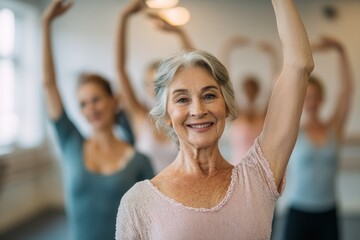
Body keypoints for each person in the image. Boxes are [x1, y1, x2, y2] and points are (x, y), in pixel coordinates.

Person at [116, 0, 314, 239]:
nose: (198, 109)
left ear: (227, 107)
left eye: (209, 95)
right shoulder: (139, 203)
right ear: (167, 116)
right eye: (182, 99)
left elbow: (299, 64)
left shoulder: (258, 177)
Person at [42, 1, 154, 239]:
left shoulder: (139, 161)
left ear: (114, 101)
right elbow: (50, 85)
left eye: (96, 99)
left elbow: (150, 222)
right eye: (83, 104)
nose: (90, 108)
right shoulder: (71, 143)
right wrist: (45, 23)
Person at [283, 36, 353, 240]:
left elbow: (347, 92)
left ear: (322, 98)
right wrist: (307, 49)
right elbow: (278, 85)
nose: (311, 100)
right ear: (302, 99)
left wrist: (341, 51)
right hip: (298, 211)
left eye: (315, 95)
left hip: (328, 211)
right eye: (307, 95)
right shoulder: (294, 130)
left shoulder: (334, 128)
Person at [116, 0, 194, 173]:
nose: (155, 88)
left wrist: (180, 33)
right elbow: (120, 69)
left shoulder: (182, 115)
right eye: (150, 84)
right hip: (148, 195)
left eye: (160, 82)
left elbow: (195, 70)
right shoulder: (139, 116)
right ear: (144, 88)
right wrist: (123, 17)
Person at [221, 36, 279, 164]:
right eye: (248, 88)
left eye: (253, 89)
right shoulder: (237, 112)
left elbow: (275, 89)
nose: (250, 92)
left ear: (257, 91)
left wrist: (273, 56)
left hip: (260, 167)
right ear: (243, 90)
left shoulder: (262, 113)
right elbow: (224, 85)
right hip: (237, 166)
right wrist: (228, 49)